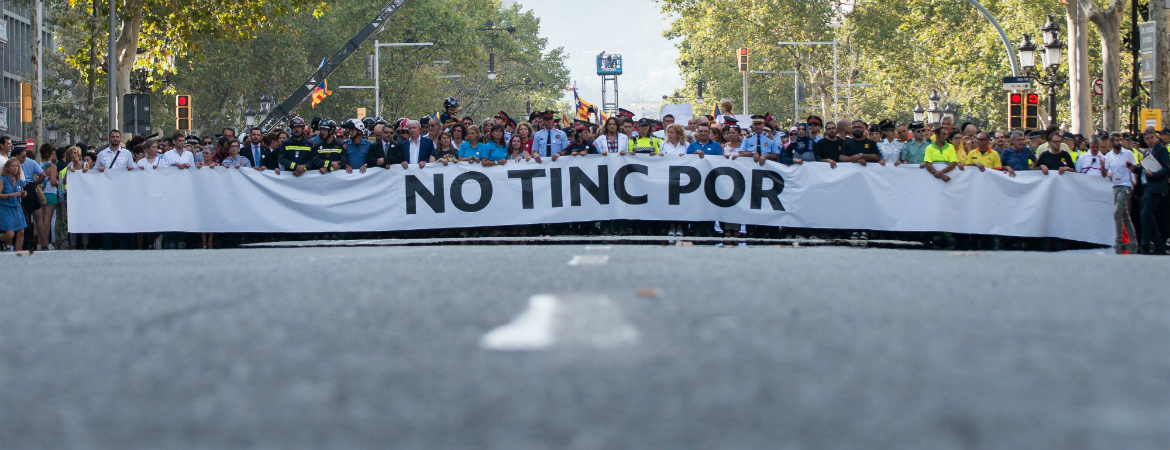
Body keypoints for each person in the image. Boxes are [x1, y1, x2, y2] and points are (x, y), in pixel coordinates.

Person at [1102, 133, 1137, 253]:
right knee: (1125, 215)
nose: (1119, 142)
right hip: (1115, 186)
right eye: (1117, 140)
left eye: (1120, 140)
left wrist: (1133, 180)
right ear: (1111, 142)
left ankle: (1118, 241)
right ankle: (1133, 241)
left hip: (1126, 186)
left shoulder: (1128, 153)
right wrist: (1103, 167)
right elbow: (1104, 173)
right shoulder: (1108, 156)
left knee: (1117, 212)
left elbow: (1134, 168)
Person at [1138, 128, 1170, 254]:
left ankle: (1145, 244)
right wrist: (1134, 168)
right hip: (1147, 186)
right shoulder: (1146, 152)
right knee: (1148, 216)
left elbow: (1167, 168)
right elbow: (1144, 170)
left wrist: (1155, 174)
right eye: (1147, 138)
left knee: (1146, 215)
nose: (1150, 140)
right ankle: (1158, 243)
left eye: (1152, 137)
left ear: (1156, 138)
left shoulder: (1161, 150)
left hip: (1156, 187)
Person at [34, 144, 59, 250]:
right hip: (50, 194)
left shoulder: (39, 165)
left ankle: (39, 242)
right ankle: (46, 243)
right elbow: (53, 182)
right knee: (47, 220)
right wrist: (59, 182)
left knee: (40, 220)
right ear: (52, 153)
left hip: (40, 194)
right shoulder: (52, 167)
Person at [0, 158, 26, 251]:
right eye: (13, 166)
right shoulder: (3, 179)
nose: (15, 168)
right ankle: (6, 244)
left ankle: (17, 252)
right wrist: (10, 195)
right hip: (6, 208)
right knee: (10, 234)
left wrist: (23, 193)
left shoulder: (19, 180)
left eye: (16, 166)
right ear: (7, 168)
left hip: (17, 207)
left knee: (21, 232)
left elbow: (22, 193)